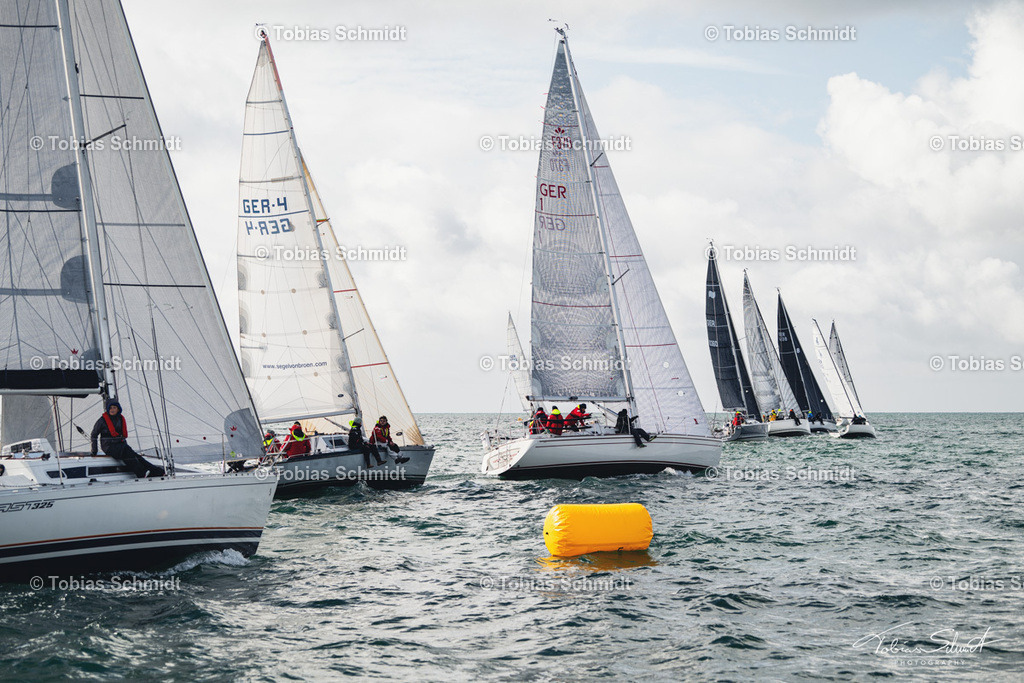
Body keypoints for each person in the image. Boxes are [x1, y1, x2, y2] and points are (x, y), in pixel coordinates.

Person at [90, 399, 165, 479]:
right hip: (109, 446)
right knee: (127, 452)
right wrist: (94, 451)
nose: (112, 410)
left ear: (118, 409)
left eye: (114, 407)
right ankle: (141, 472)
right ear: (108, 409)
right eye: (110, 408)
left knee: (135, 455)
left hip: (120, 445)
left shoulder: (120, 419)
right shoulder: (102, 421)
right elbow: (94, 435)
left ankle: (156, 471)